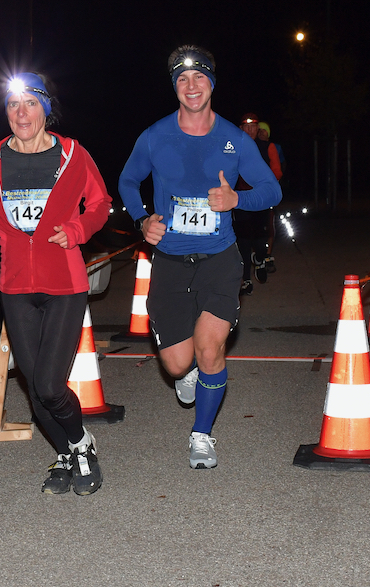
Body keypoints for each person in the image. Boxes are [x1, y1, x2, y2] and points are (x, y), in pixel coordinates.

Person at [118, 46, 281, 469]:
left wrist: (235, 199)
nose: (191, 87)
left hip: (219, 260)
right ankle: (187, 373)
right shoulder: (155, 135)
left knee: (211, 349)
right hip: (170, 261)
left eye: (199, 78)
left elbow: (271, 190)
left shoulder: (234, 139)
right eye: (182, 80)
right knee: (176, 365)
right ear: (175, 87)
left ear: (212, 83)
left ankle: (202, 434)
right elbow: (128, 180)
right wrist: (141, 220)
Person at [0, 72, 112, 496]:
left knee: (48, 385)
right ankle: (68, 453)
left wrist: (79, 229)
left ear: (46, 108)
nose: (21, 113)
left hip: (65, 284)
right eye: (13, 105)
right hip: (15, 287)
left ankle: (83, 446)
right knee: (36, 389)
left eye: (30, 103)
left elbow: (100, 204)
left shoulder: (73, 154)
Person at [232, 113, 272, 294]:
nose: (250, 130)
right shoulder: (234, 148)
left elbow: (275, 171)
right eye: (246, 126)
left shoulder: (266, 147)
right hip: (241, 199)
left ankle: (261, 259)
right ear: (241, 128)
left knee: (261, 236)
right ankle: (246, 280)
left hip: (261, 199)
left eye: (254, 126)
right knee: (244, 241)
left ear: (258, 129)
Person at [256, 120, 284, 275]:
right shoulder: (251, 146)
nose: (261, 132)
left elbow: (278, 169)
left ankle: (267, 254)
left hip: (268, 191)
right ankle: (257, 254)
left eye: (264, 130)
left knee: (269, 223)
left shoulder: (273, 147)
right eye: (258, 129)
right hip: (252, 192)